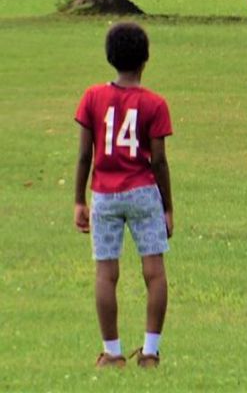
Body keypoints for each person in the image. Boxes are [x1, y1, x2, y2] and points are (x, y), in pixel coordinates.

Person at [73, 22, 174, 369]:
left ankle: (112, 352)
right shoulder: (155, 104)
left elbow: (85, 154)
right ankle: (150, 351)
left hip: (104, 194)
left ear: (109, 57)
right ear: (145, 59)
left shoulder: (92, 98)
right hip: (143, 192)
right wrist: (168, 206)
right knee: (154, 272)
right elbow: (159, 160)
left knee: (106, 273)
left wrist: (78, 200)